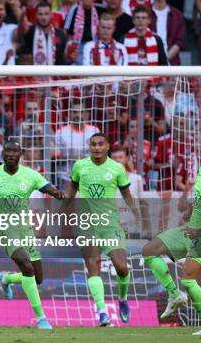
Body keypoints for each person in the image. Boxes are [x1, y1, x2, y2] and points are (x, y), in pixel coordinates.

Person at [142, 132, 201, 336]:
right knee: (148, 251)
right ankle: (175, 296)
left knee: (188, 278)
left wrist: (200, 231)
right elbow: (200, 198)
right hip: (191, 228)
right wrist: (189, 214)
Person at [0, 141, 65, 330]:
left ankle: (5, 280)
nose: (11, 154)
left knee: (37, 278)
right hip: (3, 227)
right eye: (8, 151)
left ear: (21, 154)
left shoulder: (30, 175)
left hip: (25, 228)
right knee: (27, 267)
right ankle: (41, 318)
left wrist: (58, 194)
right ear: (3, 154)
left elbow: (48, 188)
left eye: (15, 151)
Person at [64, 133, 140, 326]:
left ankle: (122, 299)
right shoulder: (80, 166)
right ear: (89, 147)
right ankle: (102, 313)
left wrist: (138, 215)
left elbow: (127, 194)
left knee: (121, 267)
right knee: (93, 265)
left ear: (107, 147)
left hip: (110, 224)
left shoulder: (116, 169)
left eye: (100, 144)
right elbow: (70, 191)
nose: (96, 147)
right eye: (93, 144)